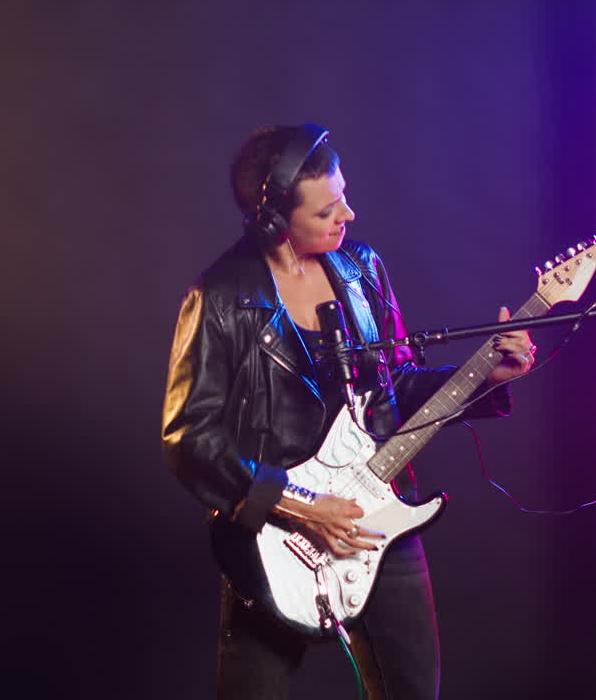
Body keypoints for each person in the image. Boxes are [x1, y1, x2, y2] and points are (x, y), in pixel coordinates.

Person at [162, 123, 535, 699]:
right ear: (274, 220)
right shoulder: (220, 297)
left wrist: (487, 376)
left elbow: (396, 386)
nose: (349, 215)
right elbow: (189, 440)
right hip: (273, 537)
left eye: (345, 195)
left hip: (379, 513)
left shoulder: (361, 270)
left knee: (413, 691)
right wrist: (304, 506)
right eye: (328, 207)